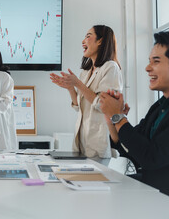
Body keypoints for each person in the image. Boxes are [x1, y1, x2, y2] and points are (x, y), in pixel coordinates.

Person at [99, 31, 169, 199]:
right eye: (149, 61)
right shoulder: (159, 106)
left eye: (156, 61)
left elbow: (151, 157)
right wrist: (112, 120)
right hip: (152, 196)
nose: (147, 68)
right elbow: (135, 152)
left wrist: (118, 118)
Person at [50, 25, 123, 165]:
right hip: (81, 142)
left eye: (88, 36)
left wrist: (78, 84)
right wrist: (71, 88)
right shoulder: (86, 71)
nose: (83, 41)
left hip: (98, 143)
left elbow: (104, 106)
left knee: (94, 185)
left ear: (100, 41)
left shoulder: (111, 67)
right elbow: (79, 106)